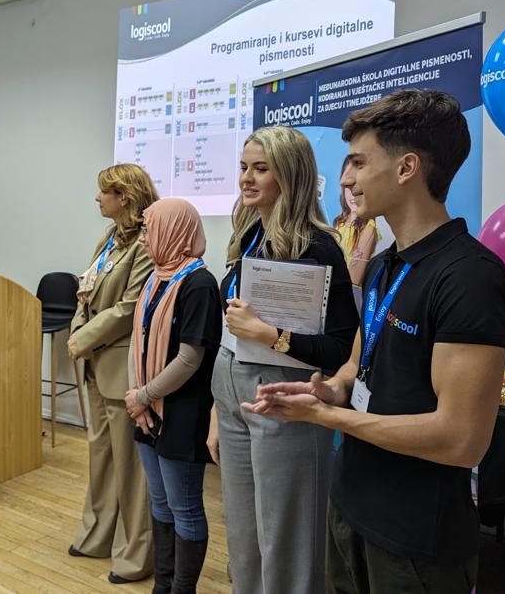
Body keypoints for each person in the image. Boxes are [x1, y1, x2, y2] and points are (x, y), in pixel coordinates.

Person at [250, 90, 505, 594]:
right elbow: (356, 365)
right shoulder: (381, 265)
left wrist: (328, 417)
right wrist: (329, 390)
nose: (346, 179)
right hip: (351, 508)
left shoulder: (470, 278)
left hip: (416, 539)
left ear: (406, 168)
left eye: (358, 162)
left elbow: (461, 438)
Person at [208, 126, 359, 594]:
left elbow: (340, 346)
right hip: (232, 390)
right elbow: (231, 330)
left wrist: (272, 337)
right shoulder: (249, 235)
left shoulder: (319, 246)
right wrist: (217, 411)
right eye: (243, 167)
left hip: (283, 393)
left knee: (287, 537)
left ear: (290, 175)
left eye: (261, 168)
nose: (246, 178)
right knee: (243, 534)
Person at [67, 163, 158, 585]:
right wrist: (78, 333)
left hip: (121, 363)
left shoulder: (145, 242)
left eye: (104, 192)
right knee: (100, 454)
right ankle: (97, 534)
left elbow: (130, 306)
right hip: (94, 359)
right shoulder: (109, 237)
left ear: (125, 197)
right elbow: (85, 291)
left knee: (130, 466)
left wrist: (84, 337)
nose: (97, 198)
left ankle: (135, 553)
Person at [126, 198, 222, 594]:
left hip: (182, 411)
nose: (143, 238)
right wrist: (138, 400)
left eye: (148, 230)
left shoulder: (200, 284)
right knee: (160, 501)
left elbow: (190, 358)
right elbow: (138, 342)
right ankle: (161, 586)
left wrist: (144, 395)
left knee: (184, 508)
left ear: (173, 232)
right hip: (147, 408)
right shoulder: (154, 278)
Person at [333, 168, 380, 290]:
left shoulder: (369, 227)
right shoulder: (338, 223)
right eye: (349, 187)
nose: (353, 194)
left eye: (360, 188)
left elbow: (354, 279)